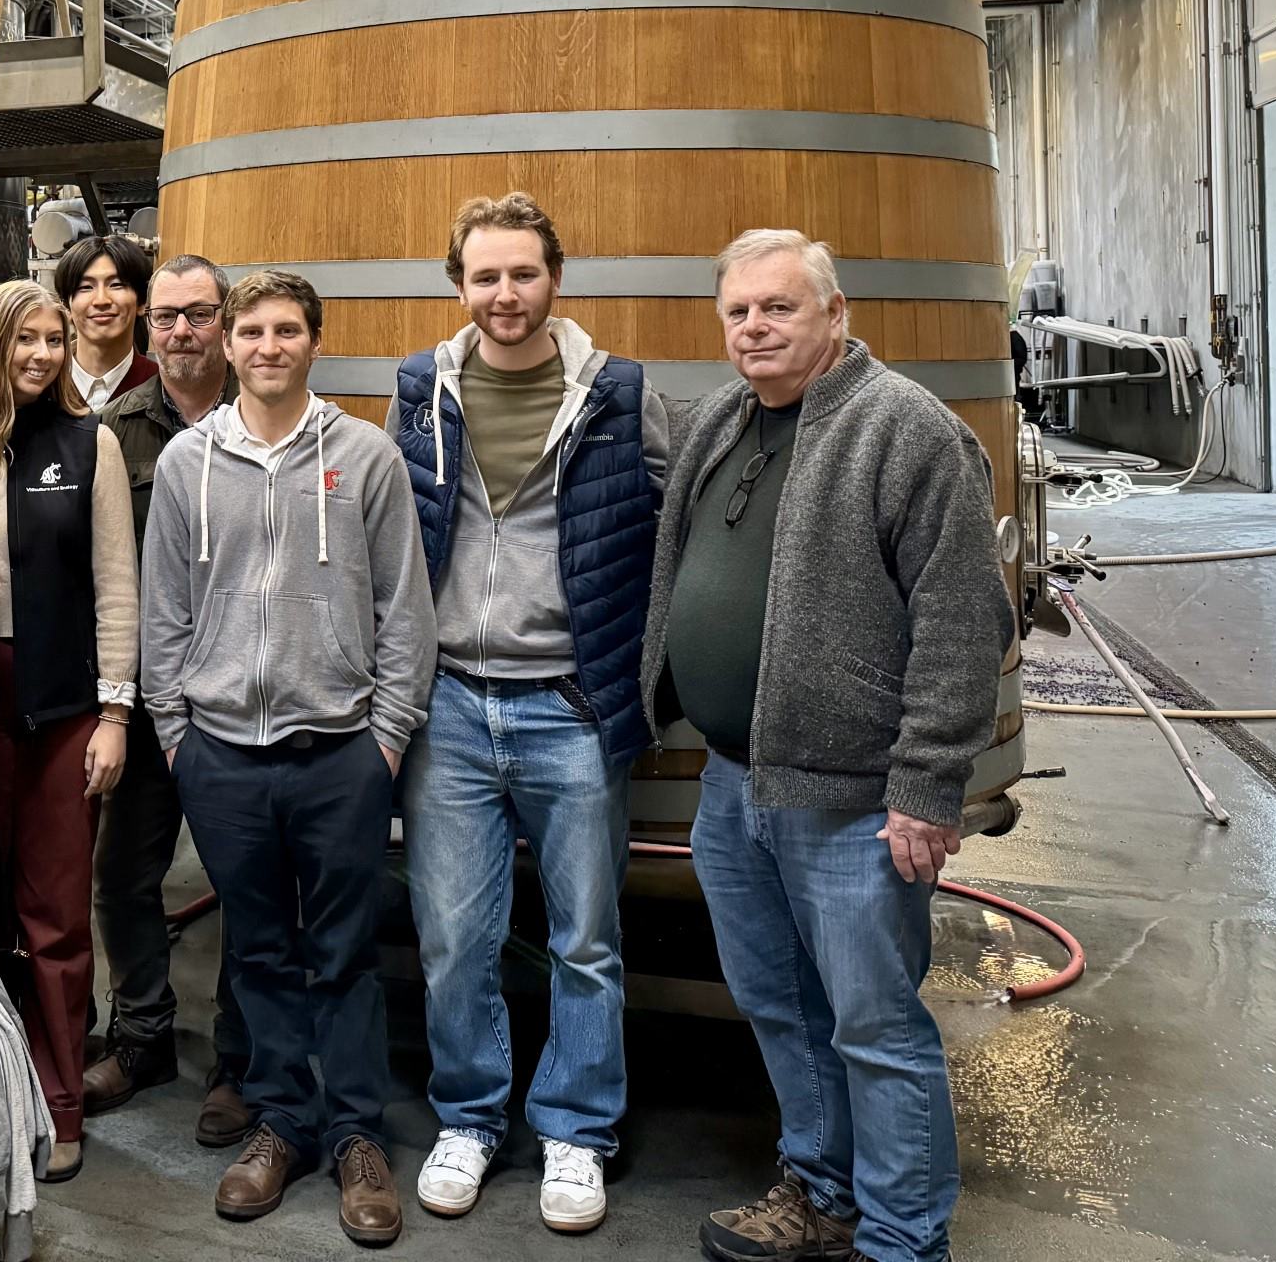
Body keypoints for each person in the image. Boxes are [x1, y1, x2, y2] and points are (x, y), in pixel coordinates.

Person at [637, 230, 1015, 1262]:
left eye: (778, 307)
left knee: (876, 1030)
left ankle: (901, 1240)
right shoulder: (723, 420)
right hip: (731, 785)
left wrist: (928, 787)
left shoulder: (905, 431)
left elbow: (959, 624)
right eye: (737, 312)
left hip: (852, 801)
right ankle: (823, 1190)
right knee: (780, 1009)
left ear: (835, 314)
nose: (753, 327)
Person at [384, 194, 671, 1230]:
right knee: (454, 939)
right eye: (484, 276)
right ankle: (468, 1116)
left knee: (585, 937)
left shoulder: (620, 393)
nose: (504, 295)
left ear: (555, 277)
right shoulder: (419, 390)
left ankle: (574, 1131)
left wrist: (642, 683)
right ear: (456, 283)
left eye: (523, 274)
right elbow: (392, 539)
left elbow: (668, 547)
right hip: (450, 706)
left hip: (569, 705)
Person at [140, 269, 437, 1248]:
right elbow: (164, 617)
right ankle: (281, 1125)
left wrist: (385, 738)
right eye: (251, 331)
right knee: (259, 952)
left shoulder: (365, 456)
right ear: (227, 345)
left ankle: (356, 1135)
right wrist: (179, 738)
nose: (267, 346)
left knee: (346, 956)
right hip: (222, 755)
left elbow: (404, 613)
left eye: (285, 331)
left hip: (339, 752)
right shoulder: (187, 462)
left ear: (313, 341)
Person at [0, 279, 138, 1182]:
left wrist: (113, 712)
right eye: (25, 338)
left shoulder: (87, 443)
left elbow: (117, 586)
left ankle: (61, 1105)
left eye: (54, 340)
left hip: (62, 706)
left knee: (56, 916)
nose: (42, 354)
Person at [84, 252, 252, 1143]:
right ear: (145, 328)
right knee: (120, 879)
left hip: (236, 701)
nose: (180, 331)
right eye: (165, 318)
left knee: (246, 882)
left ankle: (238, 1061)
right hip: (147, 701)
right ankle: (143, 1033)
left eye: (198, 314)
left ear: (225, 321)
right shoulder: (112, 431)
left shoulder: (261, 419)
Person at [55, 232, 156, 411]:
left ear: (142, 302)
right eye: (85, 287)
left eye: (116, 285)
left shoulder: (161, 387)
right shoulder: (45, 383)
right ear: (66, 307)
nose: (101, 300)